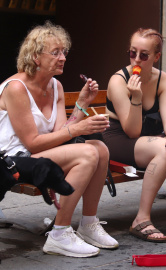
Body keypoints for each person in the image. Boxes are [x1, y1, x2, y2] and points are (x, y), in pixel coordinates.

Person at [0, 21, 119, 258]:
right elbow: (33, 142)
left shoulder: (55, 85)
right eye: (55, 53)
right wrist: (78, 129)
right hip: (12, 160)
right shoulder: (16, 88)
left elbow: (59, 134)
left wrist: (82, 104)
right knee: (88, 153)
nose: (63, 57)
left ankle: (88, 224)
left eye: (64, 52)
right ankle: (59, 234)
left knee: (101, 149)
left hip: (37, 155)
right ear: (35, 57)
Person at [103, 28, 166, 242]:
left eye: (144, 55)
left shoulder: (163, 79)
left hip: (145, 139)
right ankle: (141, 219)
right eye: (132, 53)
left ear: (156, 57)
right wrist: (136, 97)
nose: (136, 60)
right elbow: (132, 130)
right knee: (164, 149)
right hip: (117, 138)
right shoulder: (119, 80)